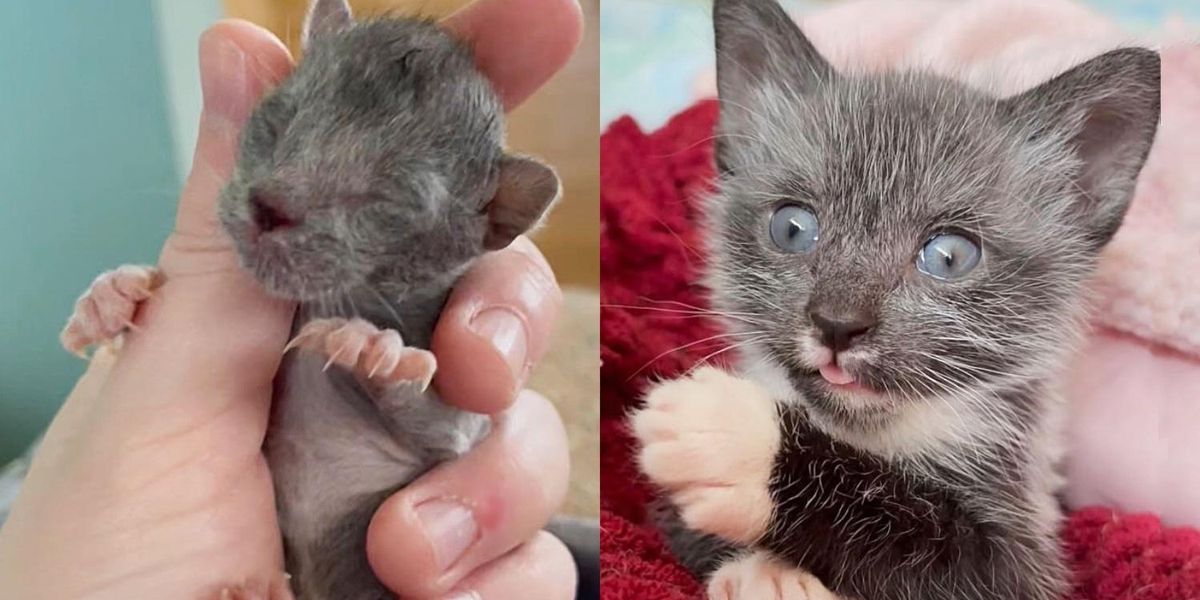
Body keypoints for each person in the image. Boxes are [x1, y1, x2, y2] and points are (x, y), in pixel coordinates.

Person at [0, 0, 583, 597]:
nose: (276, 198)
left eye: (386, 199)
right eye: (278, 124)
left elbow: (447, 436)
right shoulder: (231, 303)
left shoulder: (433, 328)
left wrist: (392, 379)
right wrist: (130, 302)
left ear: (488, 218)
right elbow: (187, 345)